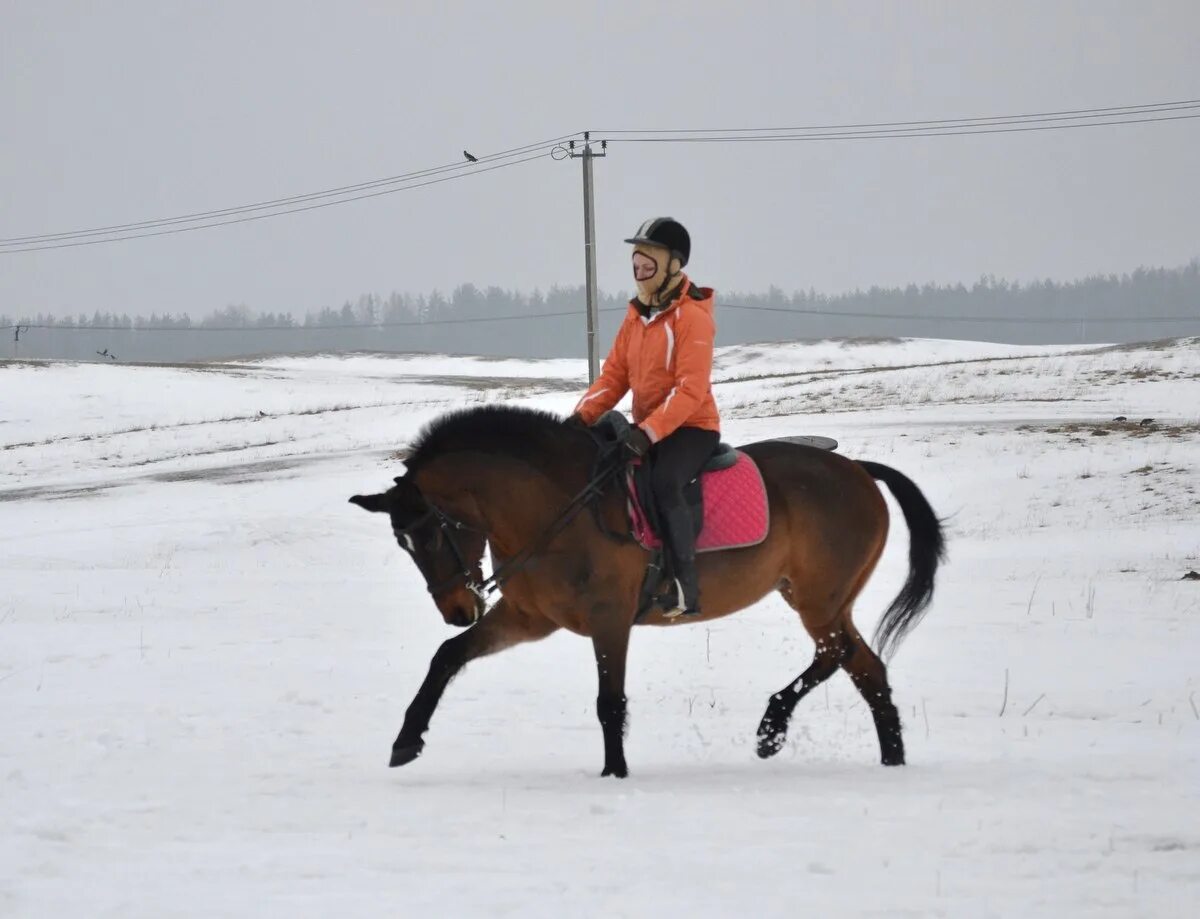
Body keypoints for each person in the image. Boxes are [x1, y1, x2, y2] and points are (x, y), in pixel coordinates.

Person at [569, 217, 719, 616]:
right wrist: (580, 419)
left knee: (664, 481)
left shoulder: (693, 317)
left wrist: (648, 433)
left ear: (672, 263)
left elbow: (690, 389)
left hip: (692, 428)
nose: (639, 267)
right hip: (649, 428)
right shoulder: (637, 317)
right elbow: (614, 375)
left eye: (647, 261)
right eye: (636, 261)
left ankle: (686, 586)